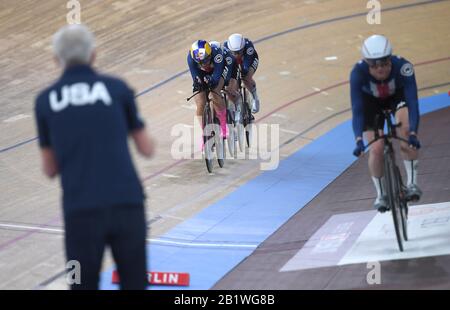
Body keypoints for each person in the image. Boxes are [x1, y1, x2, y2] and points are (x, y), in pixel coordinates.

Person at [34, 24, 154, 289]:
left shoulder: (44, 101)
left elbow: (50, 169)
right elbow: (147, 149)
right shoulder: (118, 89)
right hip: (127, 204)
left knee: (80, 284)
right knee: (135, 284)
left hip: (81, 212)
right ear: (93, 55)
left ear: (57, 60)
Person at [350, 34, 422, 212]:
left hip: (397, 97)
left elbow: (412, 102)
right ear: (367, 63)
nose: (380, 68)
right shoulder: (357, 73)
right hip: (370, 103)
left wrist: (413, 133)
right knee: (376, 148)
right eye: (374, 64)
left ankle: (412, 184)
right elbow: (358, 110)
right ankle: (381, 194)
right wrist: (358, 139)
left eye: (384, 62)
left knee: (404, 133)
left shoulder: (403, 67)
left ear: (390, 59)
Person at [187, 40, 228, 142]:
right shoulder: (191, 58)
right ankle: (204, 133)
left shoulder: (217, 54)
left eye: (205, 60)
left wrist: (212, 80)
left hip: (217, 72)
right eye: (200, 62)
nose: (203, 64)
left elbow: (217, 75)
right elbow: (195, 76)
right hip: (202, 74)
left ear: (210, 55)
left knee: (215, 93)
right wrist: (198, 82)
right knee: (201, 102)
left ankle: (224, 125)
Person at [223, 33, 260, 114]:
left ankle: (255, 97)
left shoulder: (248, 46)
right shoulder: (225, 47)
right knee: (232, 83)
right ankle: (237, 104)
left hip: (249, 59)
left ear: (243, 48)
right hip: (233, 63)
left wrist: (244, 71)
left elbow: (247, 65)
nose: (237, 55)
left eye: (239, 52)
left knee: (246, 77)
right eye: (234, 52)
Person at [209, 40, 242, 123]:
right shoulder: (212, 57)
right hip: (219, 70)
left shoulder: (228, 57)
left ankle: (238, 104)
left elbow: (227, 75)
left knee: (229, 88)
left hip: (231, 69)